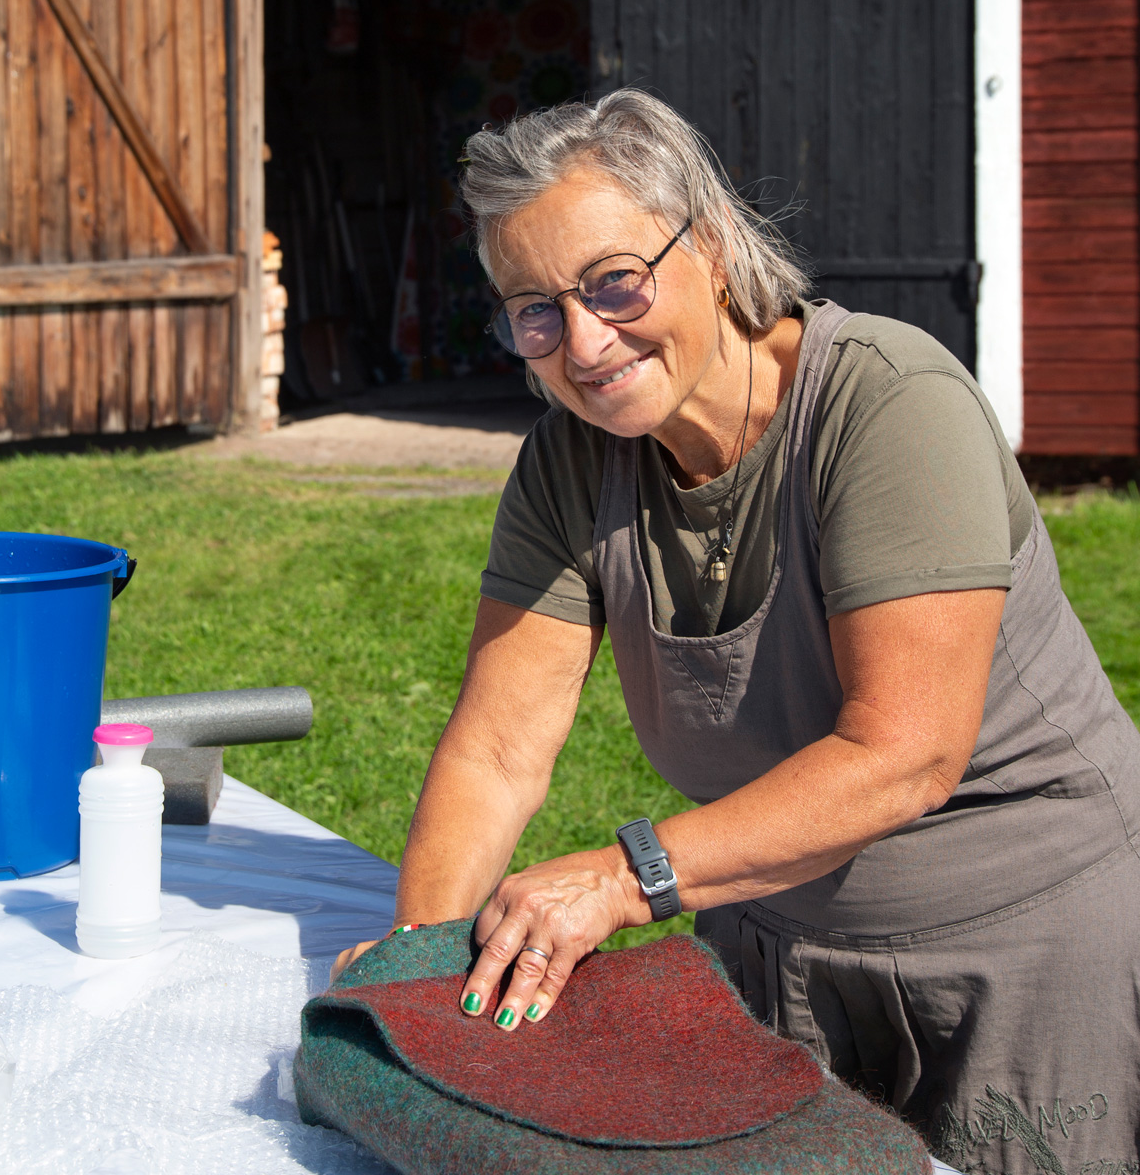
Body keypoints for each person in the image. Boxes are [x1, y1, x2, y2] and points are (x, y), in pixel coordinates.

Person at [335, 89, 1140, 1175]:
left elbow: (905, 755)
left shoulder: (888, 404)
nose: (582, 341)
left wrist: (624, 881)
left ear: (710, 247)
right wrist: (424, 958)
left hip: (1022, 952)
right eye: (535, 311)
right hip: (776, 944)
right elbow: (497, 749)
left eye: (613, 283)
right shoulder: (569, 465)